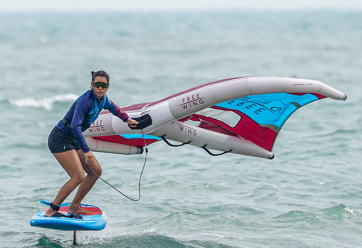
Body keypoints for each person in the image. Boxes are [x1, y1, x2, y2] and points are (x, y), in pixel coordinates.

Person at [45, 70, 138, 218]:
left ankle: (74, 206)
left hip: (73, 139)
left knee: (95, 172)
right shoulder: (85, 101)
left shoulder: (104, 99)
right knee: (77, 176)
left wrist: (127, 119)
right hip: (60, 138)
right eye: (97, 85)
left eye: (103, 85)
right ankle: (52, 210)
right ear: (92, 85)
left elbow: (114, 108)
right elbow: (75, 126)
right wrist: (86, 150)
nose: (100, 88)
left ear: (108, 86)